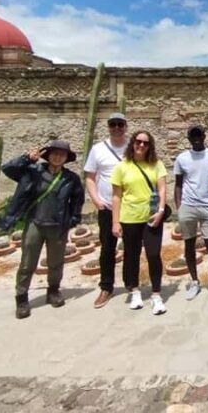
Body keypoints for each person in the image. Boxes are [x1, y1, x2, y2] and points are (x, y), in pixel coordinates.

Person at [0, 140, 84, 320]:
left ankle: (53, 291)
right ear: (48, 155)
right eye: (54, 153)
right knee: (28, 262)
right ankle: (21, 298)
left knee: (56, 262)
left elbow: (77, 200)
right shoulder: (33, 172)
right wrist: (26, 159)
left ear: (66, 158)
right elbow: (8, 169)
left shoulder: (71, 179)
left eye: (62, 154)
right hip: (35, 223)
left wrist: (73, 219)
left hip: (57, 225)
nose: (58, 156)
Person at [111, 130, 168, 315]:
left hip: (151, 217)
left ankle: (156, 294)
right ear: (132, 143)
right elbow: (116, 197)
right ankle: (134, 290)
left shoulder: (156, 164)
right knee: (131, 255)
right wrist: (115, 222)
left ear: (150, 145)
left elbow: (162, 189)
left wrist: (160, 211)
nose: (141, 145)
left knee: (153, 254)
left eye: (145, 142)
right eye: (138, 142)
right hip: (129, 218)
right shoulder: (122, 166)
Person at [173, 124, 208, 300]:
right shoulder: (182, 158)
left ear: (204, 136)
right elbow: (178, 184)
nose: (196, 138)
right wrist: (179, 207)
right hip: (188, 205)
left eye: (199, 134)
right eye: (193, 135)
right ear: (188, 138)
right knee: (189, 245)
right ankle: (194, 282)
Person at [84, 112, 128, 309]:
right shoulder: (98, 149)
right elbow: (90, 176)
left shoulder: (133, 147)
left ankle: (131, 283)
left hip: (131, 206)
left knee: (132, 247)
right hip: (107, 207)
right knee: (108, 248)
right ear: (108, 127)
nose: (117, 128)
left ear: (125, 127)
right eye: (113, 124)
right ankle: (106, 287)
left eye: (120, 124)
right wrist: (96, 200)